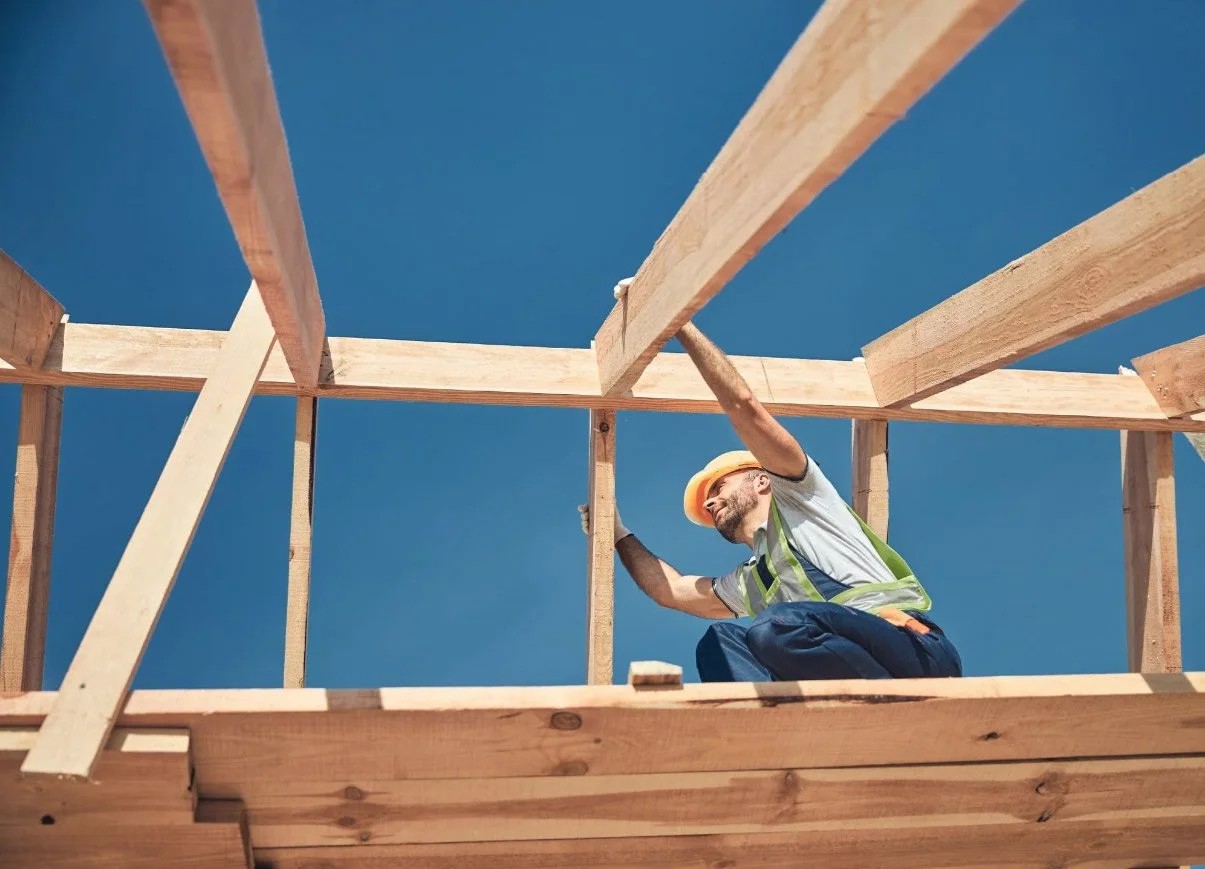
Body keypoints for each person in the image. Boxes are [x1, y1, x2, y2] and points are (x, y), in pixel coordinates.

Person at [583, 302, 962, 683]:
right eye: (707, 502)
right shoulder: (754, 579)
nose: (711, 502)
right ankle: (778, 734)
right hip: (831, 658)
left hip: (912, 654)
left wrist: (679, 324)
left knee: (774, 627)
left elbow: (744, 406)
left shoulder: (802, 498)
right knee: (721, 641)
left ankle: (875, 708)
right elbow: (672, 591)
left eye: (719, 486)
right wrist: (616, 533)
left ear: (761, 480)